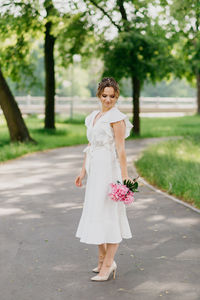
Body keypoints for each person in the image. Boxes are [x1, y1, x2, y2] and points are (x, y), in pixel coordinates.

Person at [74, 77, 135, 281]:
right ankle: (102, 259)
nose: (108, 99)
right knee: (95, 212)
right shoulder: (94, 116)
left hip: (109, 170)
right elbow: (90, 146)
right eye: (104, 95)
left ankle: (108, 264)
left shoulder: (117, 118)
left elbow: (121, 149)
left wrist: (125, 178)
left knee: (109, 214)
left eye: (112, 96)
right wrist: (82, 171)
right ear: (99, 95)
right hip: (94, 170)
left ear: (117, 96)